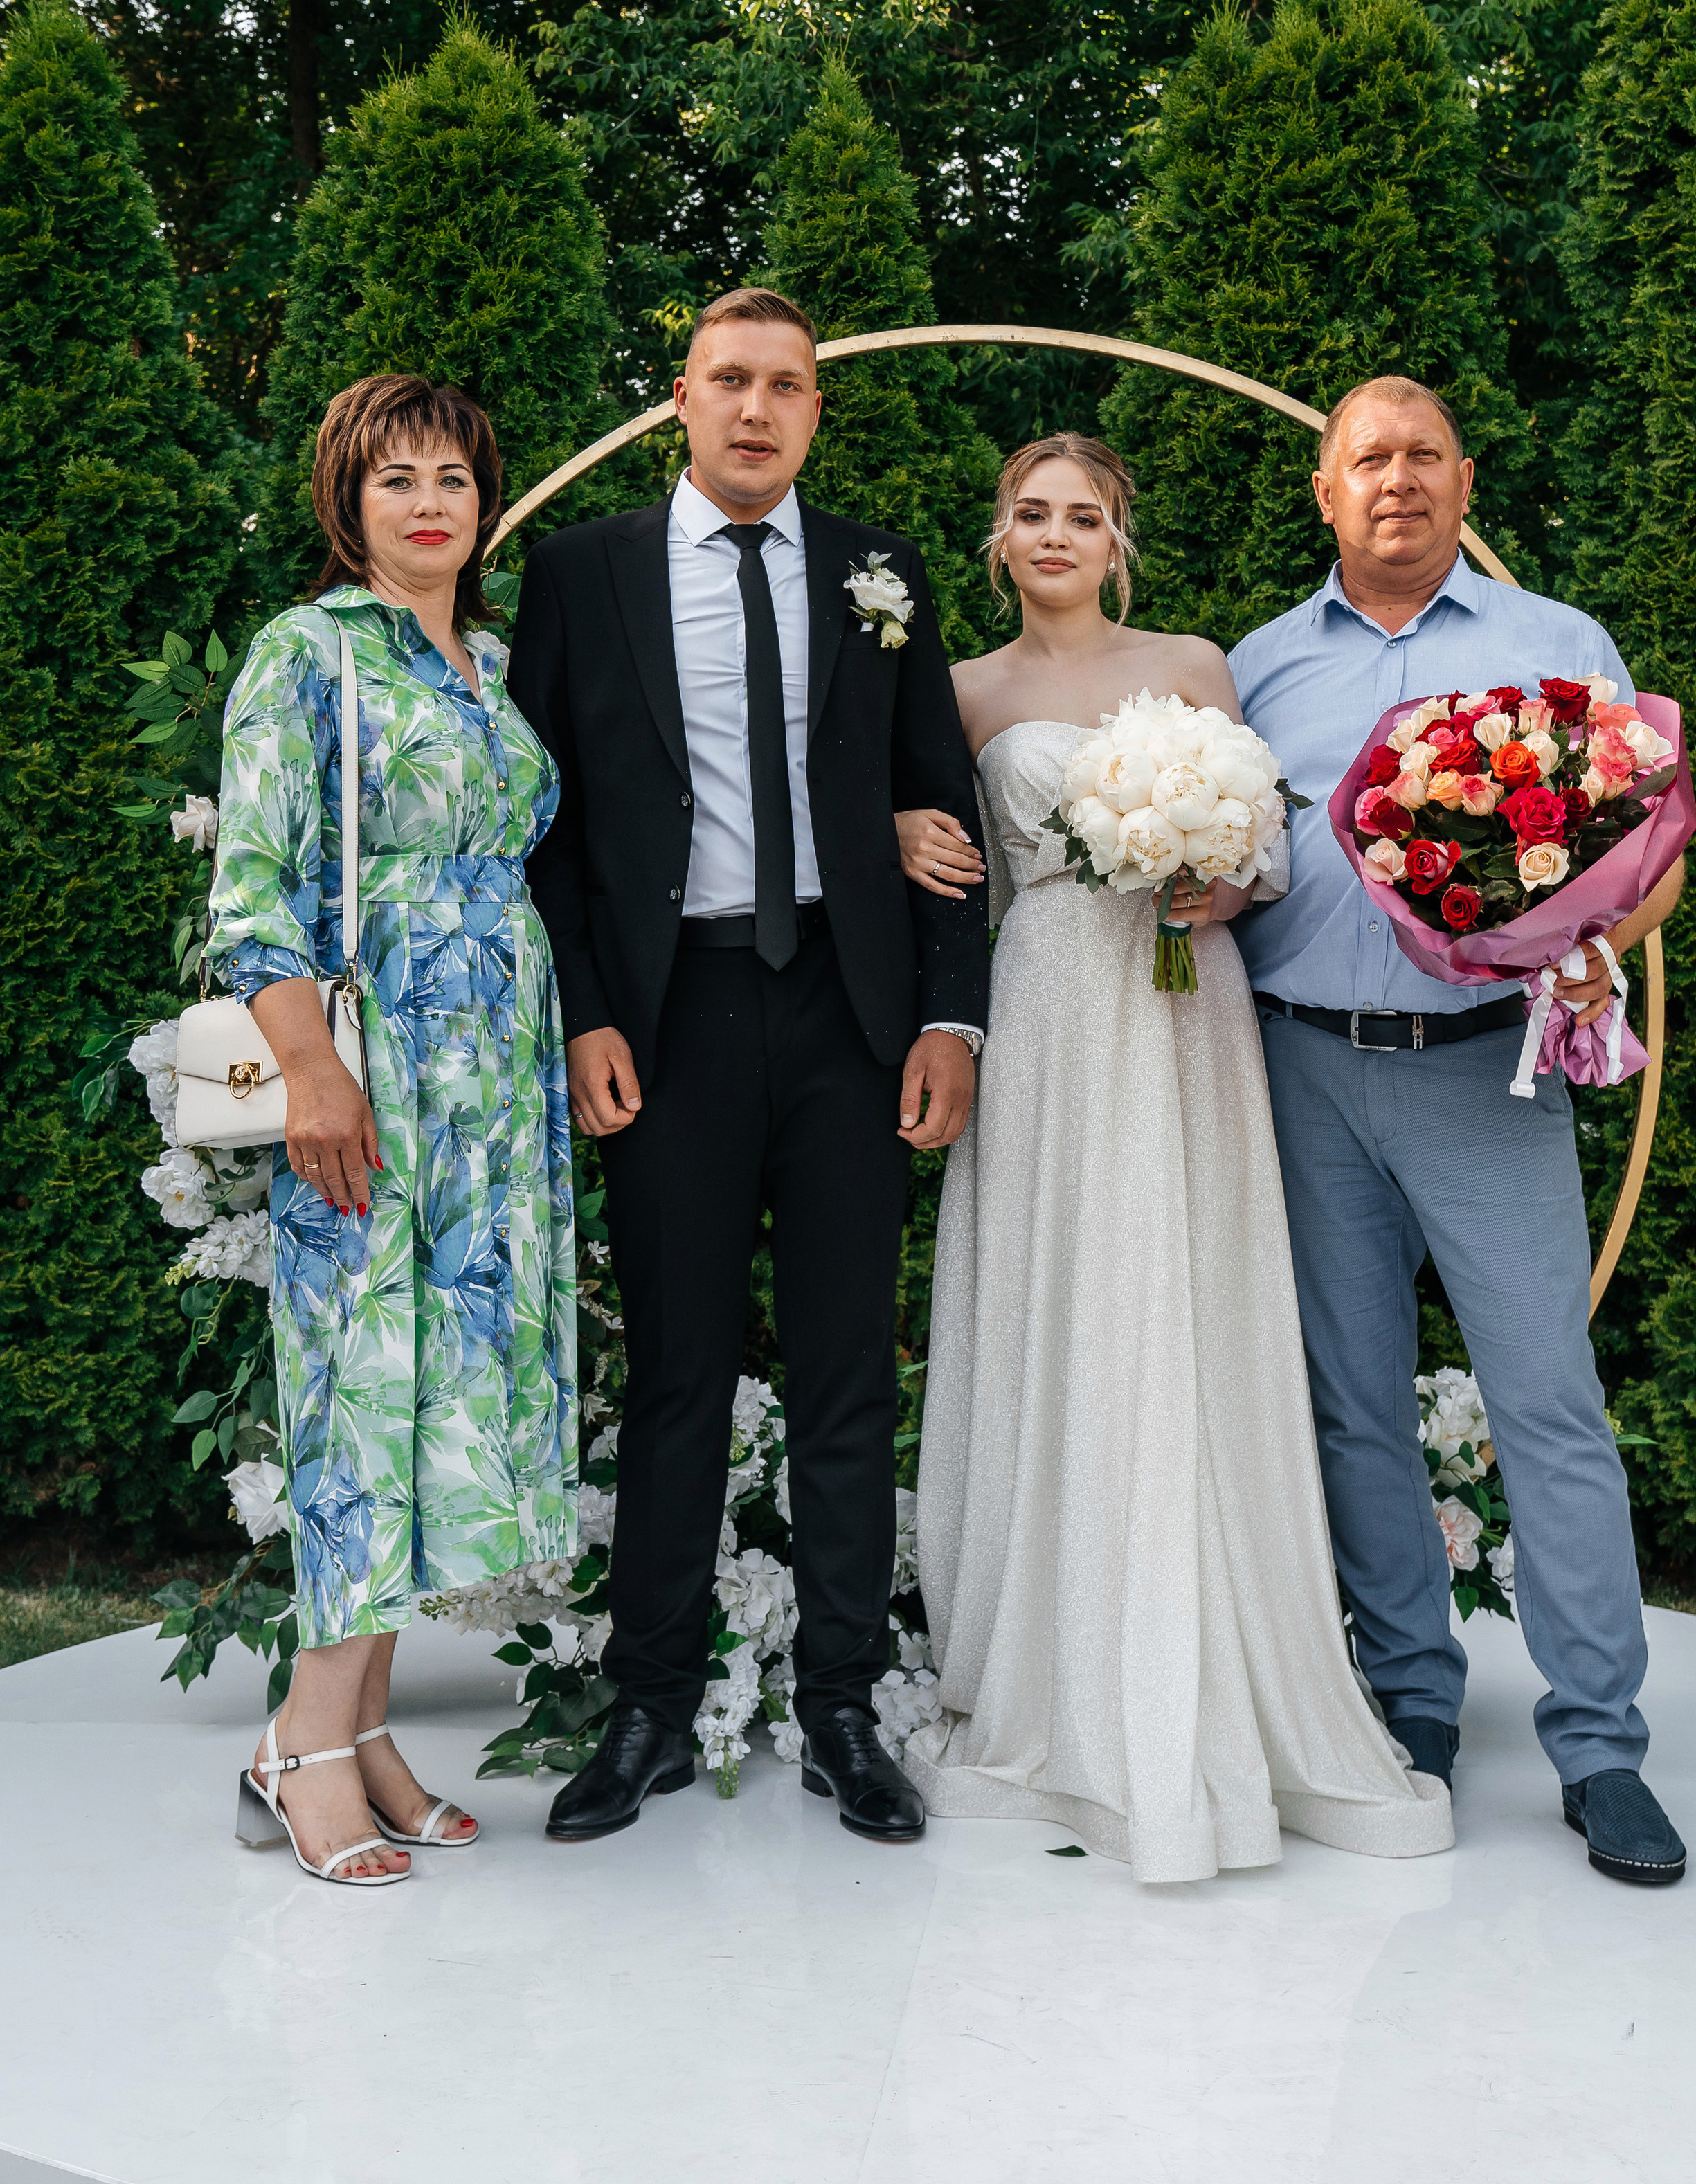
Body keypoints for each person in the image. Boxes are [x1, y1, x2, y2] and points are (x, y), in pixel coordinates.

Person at [894, 433, 1454, 1883]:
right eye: (1030, 512)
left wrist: (1223, 871)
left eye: (1082, 514)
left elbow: (1273, 850)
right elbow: (940, 859)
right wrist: (905, 834)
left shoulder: (1196, 665)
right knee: (1064, 1298)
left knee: (1186, 1296)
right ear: (997, 538)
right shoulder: (959, 694)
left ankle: (1224, 1647)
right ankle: (1052, 1667)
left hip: (1185, 1010)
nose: (1056, 533)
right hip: (1046, 1015)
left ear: (1117, 537)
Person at [507, 285, 989, 1848]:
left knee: (850, 1372)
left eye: (785, 385)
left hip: (849, 1020)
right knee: (675, 1377)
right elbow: (553, 830)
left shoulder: (878, 572)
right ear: (678, 398)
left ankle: (843, 1707)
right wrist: (586, 1012)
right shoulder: (580, 575)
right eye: (729, 380)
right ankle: (648, 1705)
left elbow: (941, 817)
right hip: (673, 1021)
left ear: (813, 411)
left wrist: (945, 1019)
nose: (756, 408)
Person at [1228, 374, 1688, 1889]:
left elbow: (1645, 848)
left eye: (1423, 456)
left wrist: (1598, 939)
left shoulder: (1552, 647)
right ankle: (1408, 1705)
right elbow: (1230, 873)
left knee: (1544, 1403)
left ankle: (1597, 1746)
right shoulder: (1254, 671)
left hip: (1490, 1075)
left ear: (1463, 476)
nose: (1397, 481)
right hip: (1299, 1073)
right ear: (1323, 489)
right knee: (1353, 1405)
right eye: (1367, 458)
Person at [213, 374, 577, 1886]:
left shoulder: (486, 661)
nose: (429, 502)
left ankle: (360, 1735)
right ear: (346, 503)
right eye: (394, 480)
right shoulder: (310, 654)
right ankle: (298, 1740)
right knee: (361, 1396)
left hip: (494, 1092)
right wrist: (311, 1076)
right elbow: (251, 886)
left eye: (452, 477)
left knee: (439, 1405)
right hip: (373, 1077)